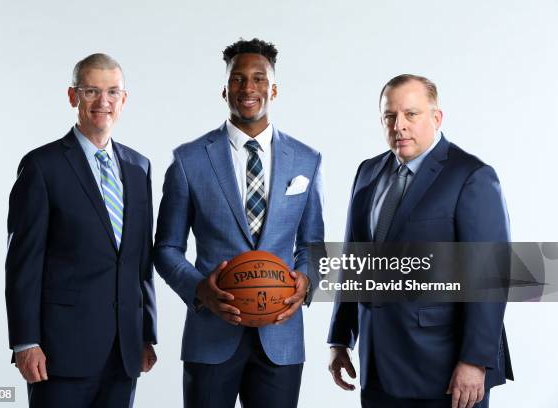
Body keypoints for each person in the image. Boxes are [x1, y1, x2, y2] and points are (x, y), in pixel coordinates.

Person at [154, 38, 324, 408]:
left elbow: (312, 245)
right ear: (224, 89)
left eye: (259, 79)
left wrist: (305, 281)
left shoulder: (306, 160)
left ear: (273, 89)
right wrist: (201, 291)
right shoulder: (188, 160)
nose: (248, 88)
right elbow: (166, 248)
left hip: (281, 336)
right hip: (211, 334)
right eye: (238, 79)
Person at [327, 74, 513, 408]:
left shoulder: (471, 177)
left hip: (444, 369)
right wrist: (340, 339)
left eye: (411, 114)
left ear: (436, 117)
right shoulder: (367, 173)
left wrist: (475, 361)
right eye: (389, 116)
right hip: (378, 366)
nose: (399, 126)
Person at [5, 53, 157, 408]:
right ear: (73, 96)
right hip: (60, 352)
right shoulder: (42, 166)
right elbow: (22, 263)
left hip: (124, 351)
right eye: (91, 91)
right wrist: (26, 342)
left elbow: (140, 261)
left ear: (124, 99)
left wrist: (146, 333)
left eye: (112, 92)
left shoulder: (139, 167)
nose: (102, 102)